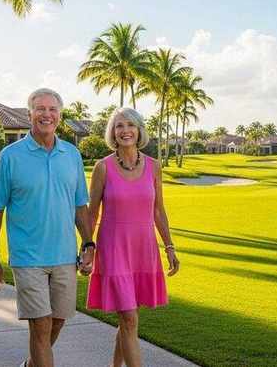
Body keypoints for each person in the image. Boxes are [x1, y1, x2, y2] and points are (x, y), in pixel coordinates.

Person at [0, 88, 94, 367]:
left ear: (60, 115)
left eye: (52, 109)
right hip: (27, 258)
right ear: (29, 113)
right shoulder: (11, 156)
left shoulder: (72, 155)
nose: (47, 114)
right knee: (41, 324)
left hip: (64, 256)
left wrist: (88, 244)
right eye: (40, 109)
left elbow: (80, 206)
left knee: (57, 321)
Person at [86, 107, 179, 367]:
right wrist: (87, 250)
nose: (125, 130)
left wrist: (169, 246)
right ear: (112, 133)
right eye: (119, 126)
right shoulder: (103, 168)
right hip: (114, 249)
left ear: (139, 131)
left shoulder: (154, 167)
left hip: (143, 249)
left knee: (130, 316)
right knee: (128, 318)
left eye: (130, 125)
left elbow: (158, 210)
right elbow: (92, 213)